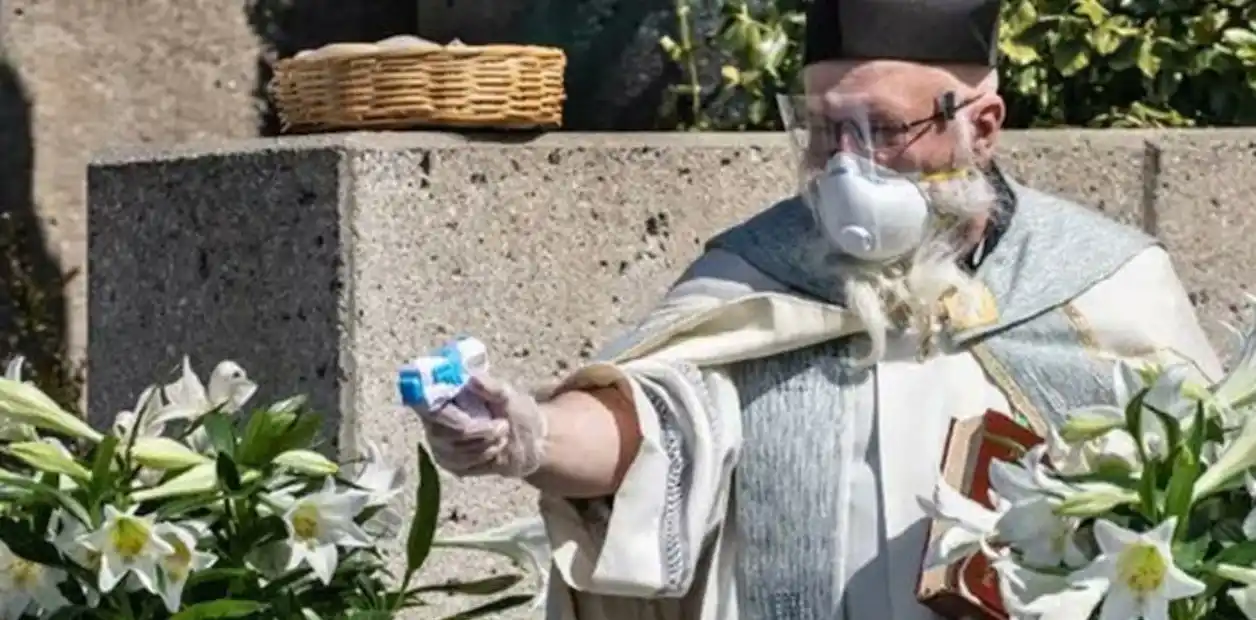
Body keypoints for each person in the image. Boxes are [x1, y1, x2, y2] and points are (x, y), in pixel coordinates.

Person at [415, 0, 1223, 617]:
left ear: (982, 125)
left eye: (881, 128)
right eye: (823, 128)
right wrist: (530, 435)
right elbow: (659, 424)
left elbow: (1199, 500)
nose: (844, 165)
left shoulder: (1100, 283)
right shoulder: (757, 271)